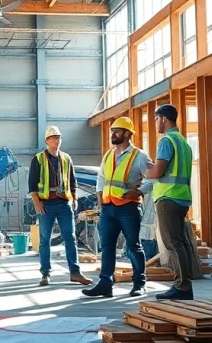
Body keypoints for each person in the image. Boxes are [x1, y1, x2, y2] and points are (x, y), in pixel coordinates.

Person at [83, 116, 151, 298]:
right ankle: (105, 283)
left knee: (133, 246)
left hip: (129, 208)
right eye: (112, 131)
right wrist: (99, 200)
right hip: (108, 208)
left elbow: (152, 179)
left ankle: (139, 284)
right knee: (107, 247)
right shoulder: (108, 155)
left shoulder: (140, 156)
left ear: (127, 134)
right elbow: (101, 179)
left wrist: (138, 192)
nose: (113, 134)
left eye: (117, 131)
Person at [142, 104, 197, 301]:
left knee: (173, 243)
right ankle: (184, 283)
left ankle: (182, 286)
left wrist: (145, 170)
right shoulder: (183, 143)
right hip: (181, 197)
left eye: (156, 119)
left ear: (163, 119)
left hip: (168, 198)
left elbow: (157, 172)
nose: (155, 123)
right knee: (180, 242)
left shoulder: (166, 141)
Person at [29, 126, 92, 287]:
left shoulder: (66, 158)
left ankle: (75, 272)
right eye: (53, 138)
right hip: (45, 205)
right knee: (45, 240)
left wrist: (74, 198)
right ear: (47, 141)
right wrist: (37, 202)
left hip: (64, 203)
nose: (57, 140)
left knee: (70, 237)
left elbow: (72, 181)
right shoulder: (38, 159)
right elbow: (32, 184)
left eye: (59, 137)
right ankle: (45, 273)